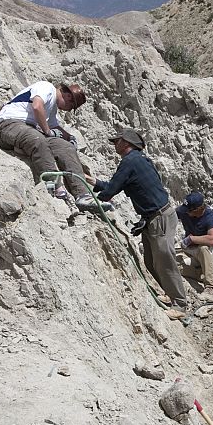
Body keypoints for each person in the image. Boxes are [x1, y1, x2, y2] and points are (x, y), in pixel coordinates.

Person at [87, 128, 188, 313]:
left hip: (159, 218)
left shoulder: (129, 161)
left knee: (165, 260)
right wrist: (93, 181)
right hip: (154, 218)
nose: (114, 144)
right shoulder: (139, 161)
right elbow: (115, 185)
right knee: (151, 261)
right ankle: (169, 293)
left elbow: (111, 191)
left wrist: (90, 199)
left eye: (117, 141)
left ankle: (180, 304)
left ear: (126, 143)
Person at [0, 81, 101, 212]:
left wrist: (70, 138)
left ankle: (83, 195)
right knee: (38, 139)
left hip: (29, 130)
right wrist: (48, 131)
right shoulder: (47, 88)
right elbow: (37, 107)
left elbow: (55, 126)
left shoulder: (52, 108)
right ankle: (54, 185)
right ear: (68, 97)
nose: (67, 110)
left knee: (65, 147)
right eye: (71, 106)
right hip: (9, 125)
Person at [176, 192, 213, 292]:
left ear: (198, 210)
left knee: (203, 248)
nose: (186, 213)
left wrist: (192, 239)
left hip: (207, 251)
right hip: (190, 250)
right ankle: (200, 274)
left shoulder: (210, 216)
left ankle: (210, 285)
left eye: (188, 211)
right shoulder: (184, 212)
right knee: (174, 265)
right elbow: (170, 216)